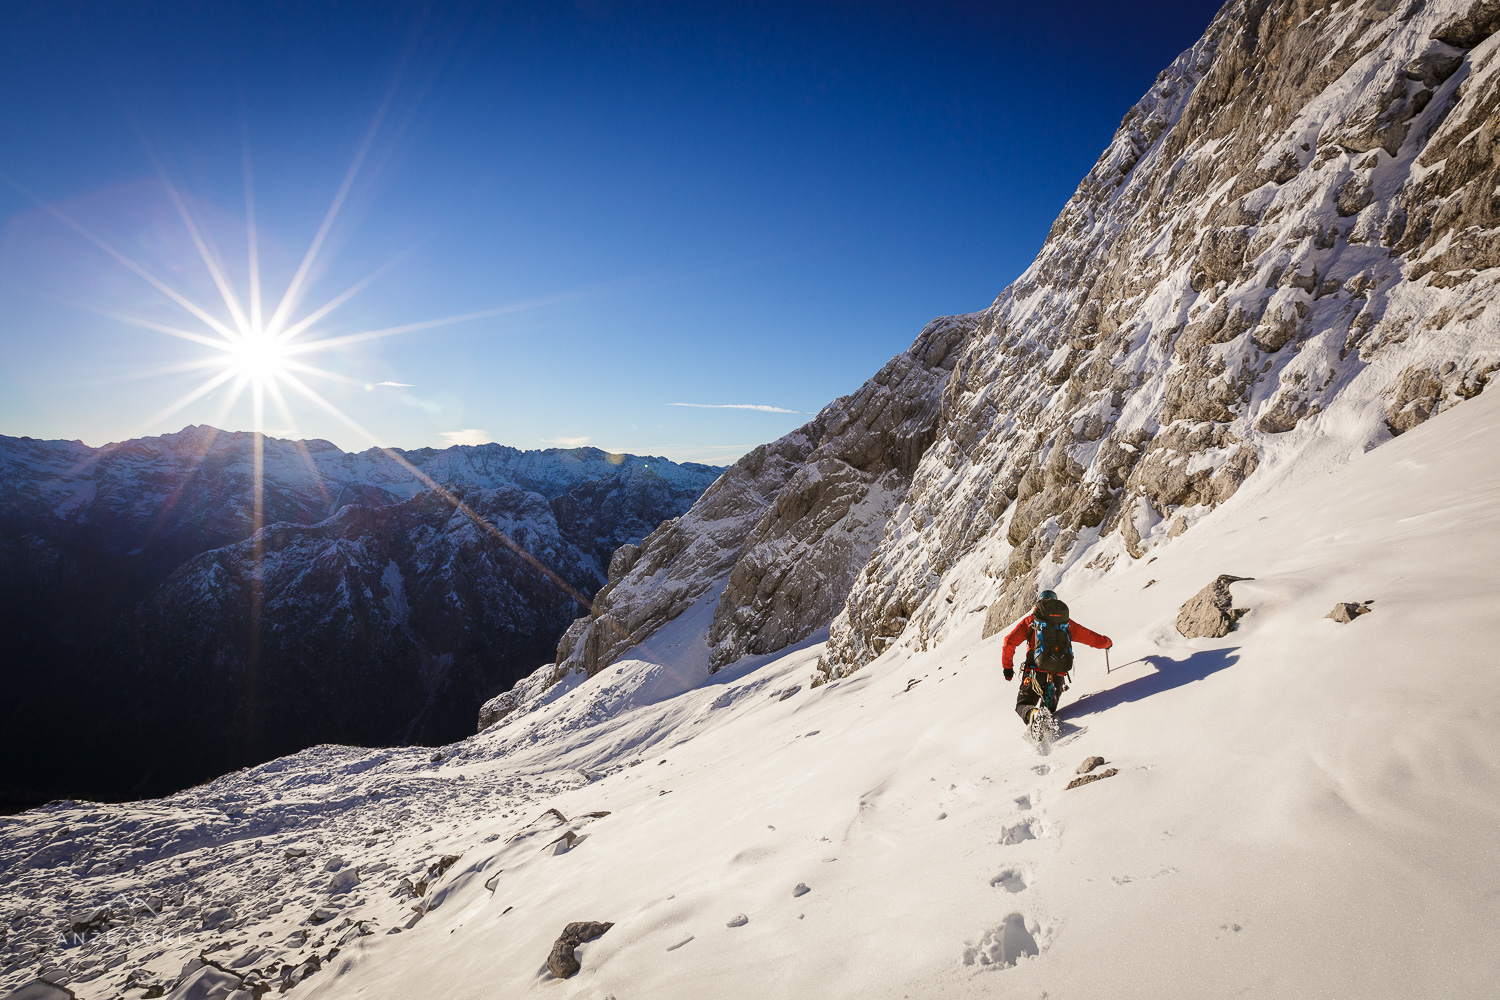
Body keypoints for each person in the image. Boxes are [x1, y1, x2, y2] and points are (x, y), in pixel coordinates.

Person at [1001, 590, 1112, 726]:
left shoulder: (1030, 621)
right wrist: (1107, 642)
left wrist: (1007, 668)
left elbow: (1009, 642)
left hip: (1034, 672)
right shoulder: (1066, 623)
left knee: (1023, 704)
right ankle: (1045, 724)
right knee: (1049, 711)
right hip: (1057, 675)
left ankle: (1033, 715)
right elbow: (1090, 637)